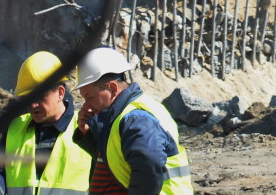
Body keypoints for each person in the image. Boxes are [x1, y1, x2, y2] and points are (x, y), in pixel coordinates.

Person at [73, 47, 192, 195]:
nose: (86, 105)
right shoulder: (122, 116)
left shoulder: (135, 119)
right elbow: (118, 162)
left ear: (112, 87)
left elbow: (149, 167)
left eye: (89, 97)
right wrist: (89, 135)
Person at [0, 50, 90, 195]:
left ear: (60, 93)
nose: (33, 105)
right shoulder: (15, 128)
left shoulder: (85, 128)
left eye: (40, 97)